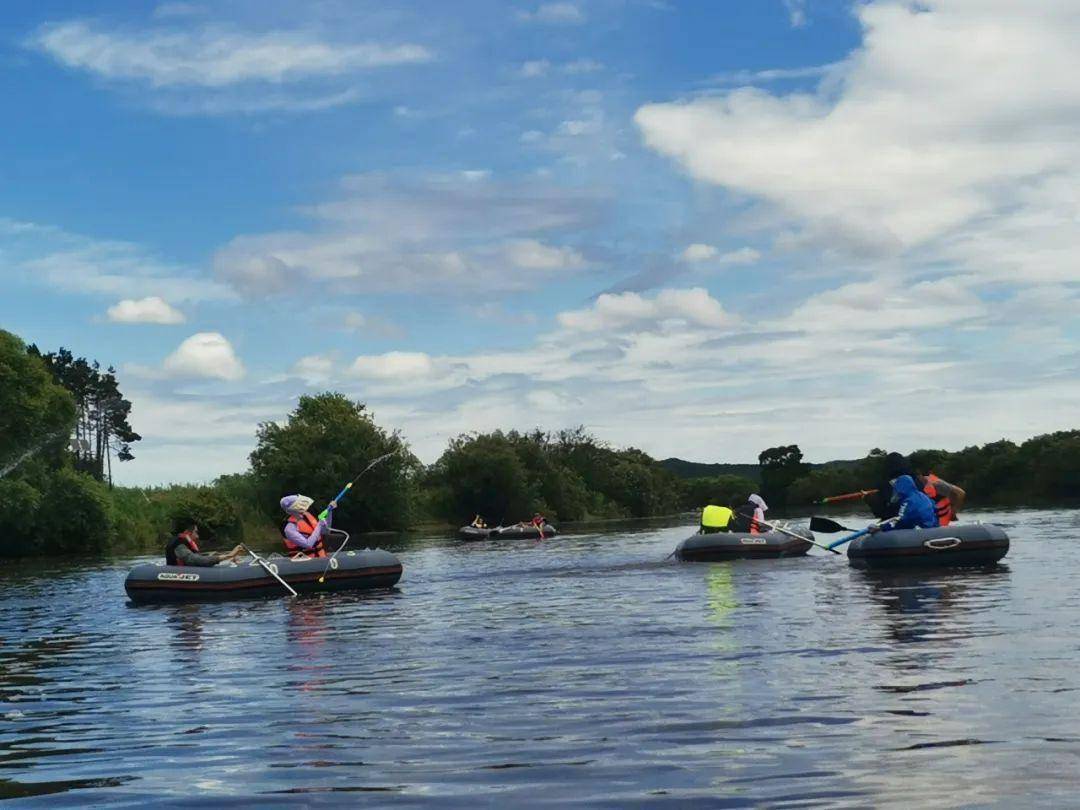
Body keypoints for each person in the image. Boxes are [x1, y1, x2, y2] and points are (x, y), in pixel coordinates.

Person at [870, 475, 939, 533]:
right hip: (932, 528)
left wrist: (882, 527)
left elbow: (901, 520)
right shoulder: (922, 495)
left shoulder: (907, 501)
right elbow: (935, 508)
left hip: (920, 530)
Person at [280, 494, 335, 558]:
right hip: (304, 562)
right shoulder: (289, 529)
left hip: (320, 558)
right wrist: (320, 525)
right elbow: (308, 544)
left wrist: (329, 511)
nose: (303, 510)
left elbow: (325, 531)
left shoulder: (307, 516)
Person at [165, 523, 243, 567]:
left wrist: (228, 559)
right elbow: (197, 560)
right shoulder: (180, 546)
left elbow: (201, 557)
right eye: (196, 532)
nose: (198, 535)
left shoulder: (186, 545)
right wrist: (229, 555)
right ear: (188, 533)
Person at [864, 452, 914, 520]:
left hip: (896, 521)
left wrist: (868, 499)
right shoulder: (915, 479)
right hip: (917, 520)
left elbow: (881, 512)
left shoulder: (885, 485)